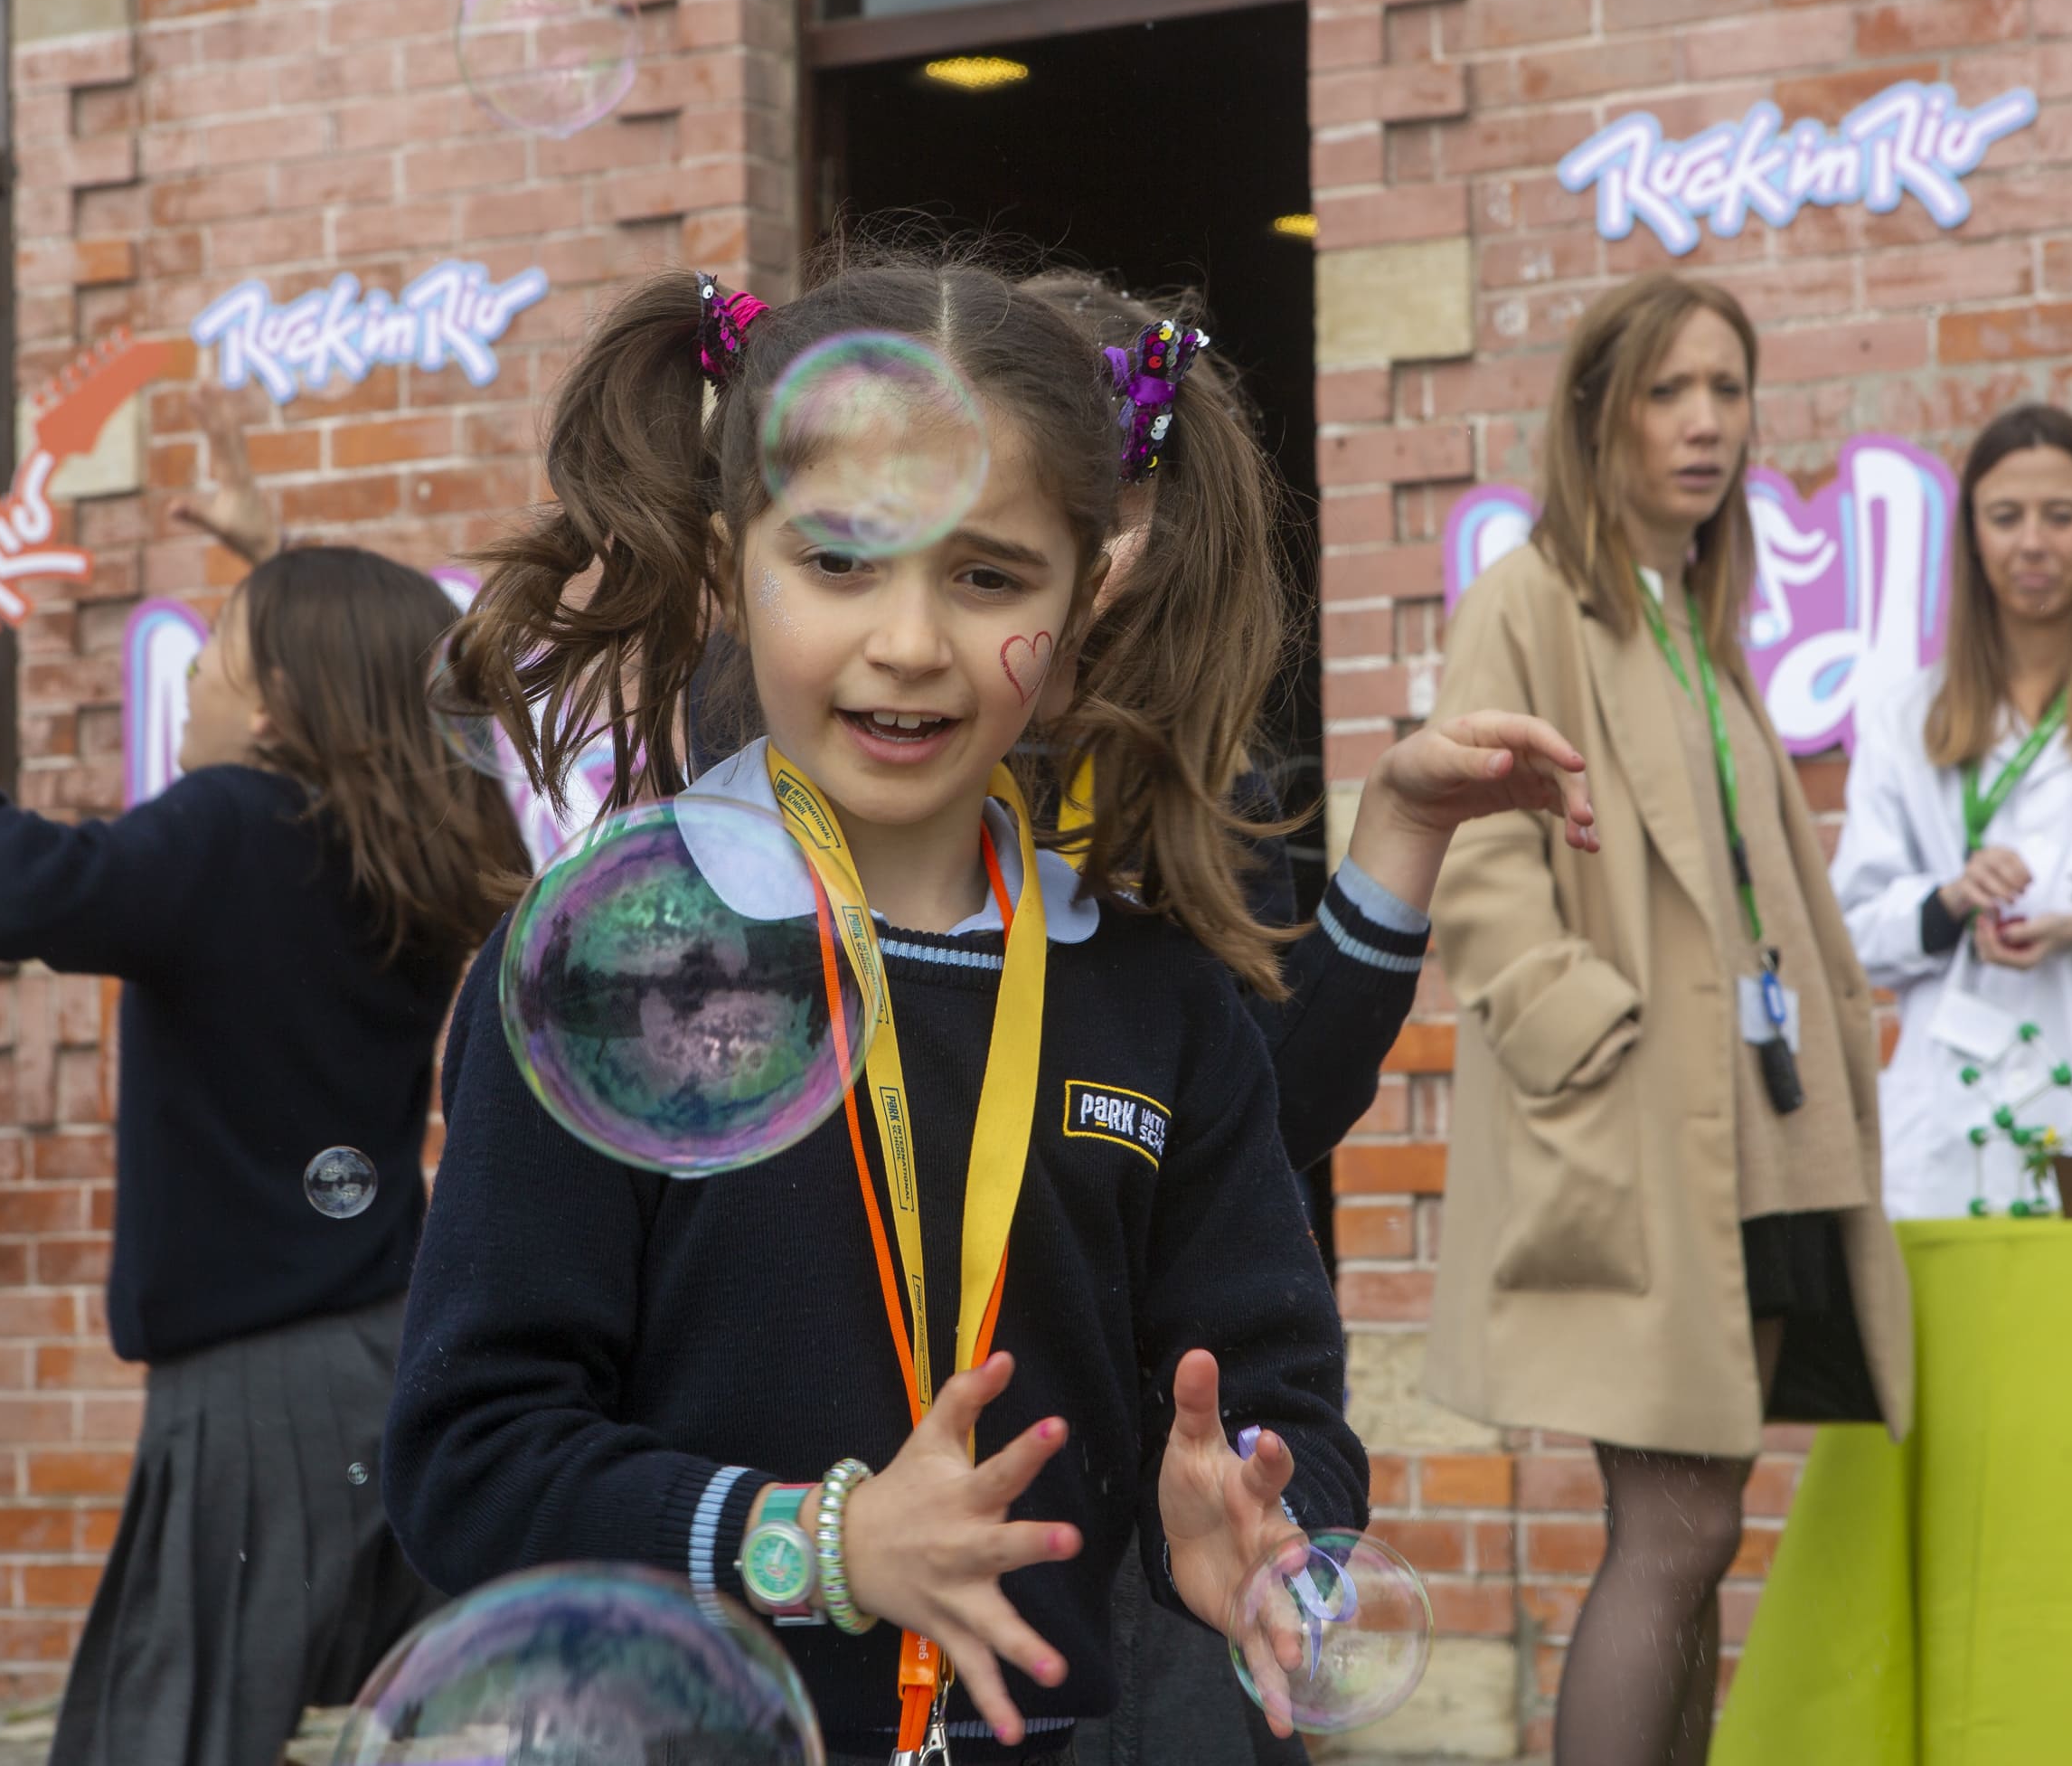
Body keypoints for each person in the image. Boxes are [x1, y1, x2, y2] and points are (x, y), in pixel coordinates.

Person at [381, 253, 1573, 1766]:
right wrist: (820, 1542)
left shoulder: (1157, 1003)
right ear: (722, 562)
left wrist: (1270, 1513)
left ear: (1089, 598)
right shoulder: (613, 965)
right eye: (840, 562)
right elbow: (469, 1460)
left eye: (988, 573)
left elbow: (1275, 1396)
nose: (911, 640)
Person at [0, 546, 529, 1766]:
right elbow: (373, 687)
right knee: (415, 1702)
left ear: (277, 703)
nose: (188, 684)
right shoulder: (400, 842)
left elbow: (37, 893)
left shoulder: (234, 820)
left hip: (258, 1384)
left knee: (156, 1733)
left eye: (218, 653)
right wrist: (271, 552)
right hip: (384, 1345)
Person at [1007, 273, 1596, 1766]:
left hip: (1162, 1508)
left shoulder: (1194, 794)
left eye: (1118, 496)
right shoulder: (828, 808)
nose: (1087, 543)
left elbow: (1266, 1120)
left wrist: (1400, 838)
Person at [1421, 273, 1914, 1766]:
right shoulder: (1532, 601)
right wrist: (1596, 1036)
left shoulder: (1697, 621)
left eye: (1728, 390)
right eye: (1668, 391)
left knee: (1698, 1543)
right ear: (1598, 414)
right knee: (1677, 1529)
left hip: (1748, 1139)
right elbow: (1476, 858)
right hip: (1637, 1136)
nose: (1707, 424)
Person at [1832, 403, 2072, 1217]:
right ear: (1971, 538)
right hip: (1950, 1119)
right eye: (2006, 517)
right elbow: (1850, 930)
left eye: (2061, 516)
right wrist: (1950, 900)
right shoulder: (1904, 715)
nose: (2033, 542)